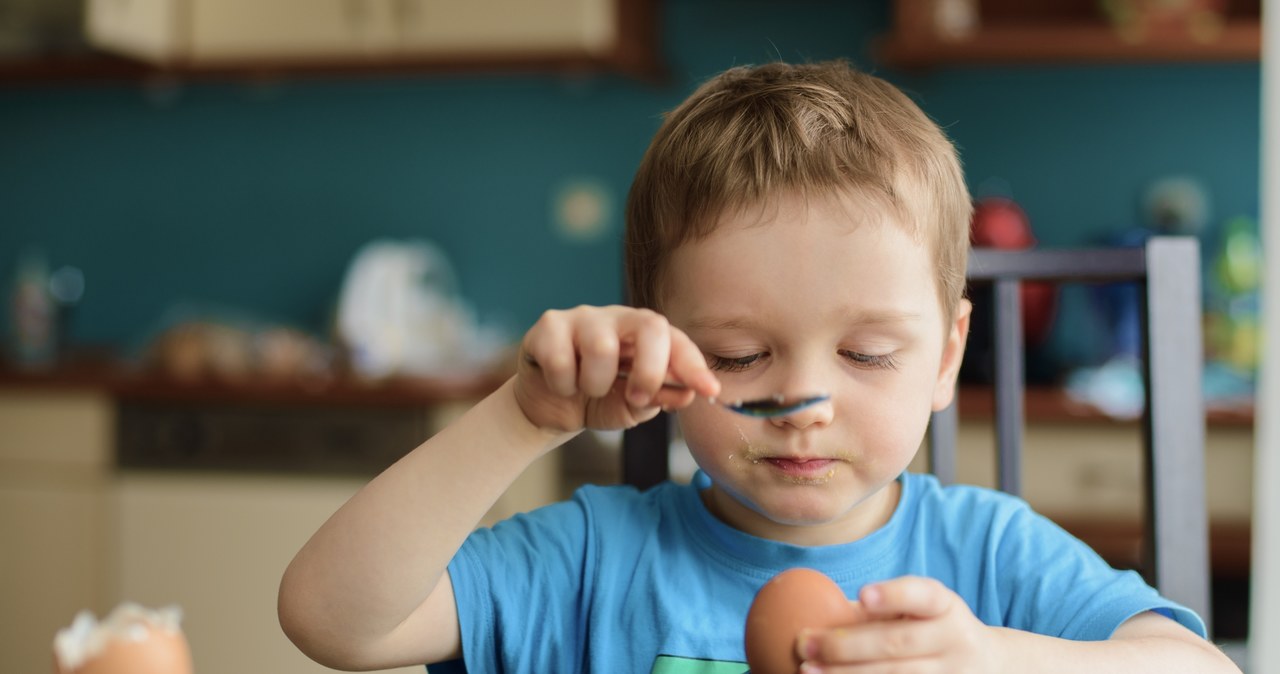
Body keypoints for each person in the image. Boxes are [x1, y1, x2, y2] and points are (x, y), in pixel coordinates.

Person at [278, 60, 1239, 673]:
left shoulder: (990, 559)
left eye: (867, 353)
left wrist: (995, 658)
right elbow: (333, 621)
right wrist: (522, 418)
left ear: (947, 356)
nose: (801, 405)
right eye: (740, 355)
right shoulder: (591, 562)